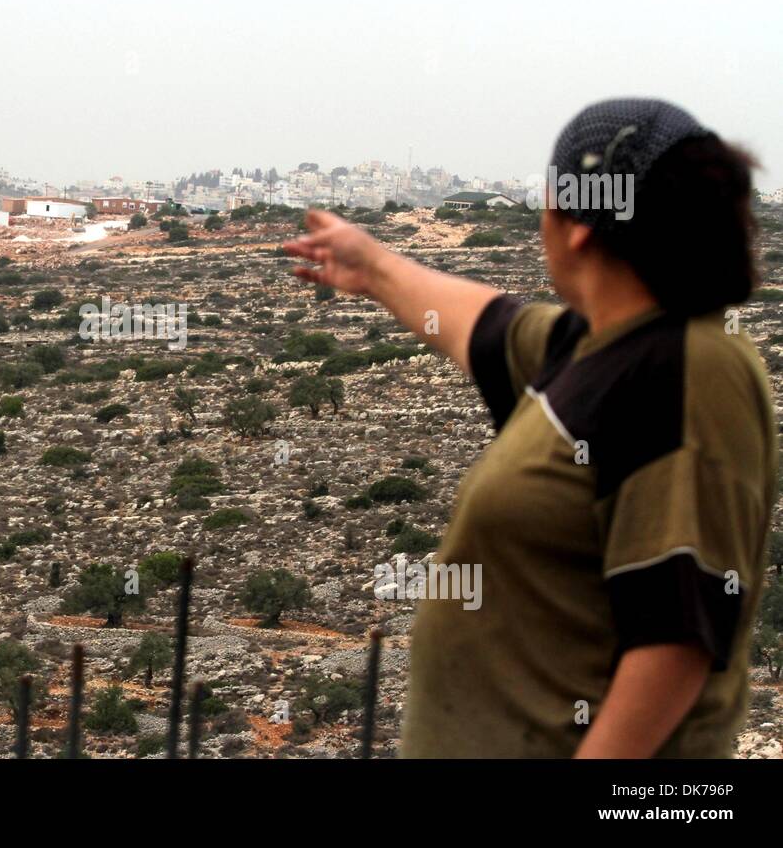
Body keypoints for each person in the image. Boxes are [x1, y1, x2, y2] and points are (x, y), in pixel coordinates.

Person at [284, 99, 776, 757]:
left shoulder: (685, 366)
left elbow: (675, 641)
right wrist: (370, 267)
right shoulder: (595, 348)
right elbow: (486, 325)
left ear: (575, 223)